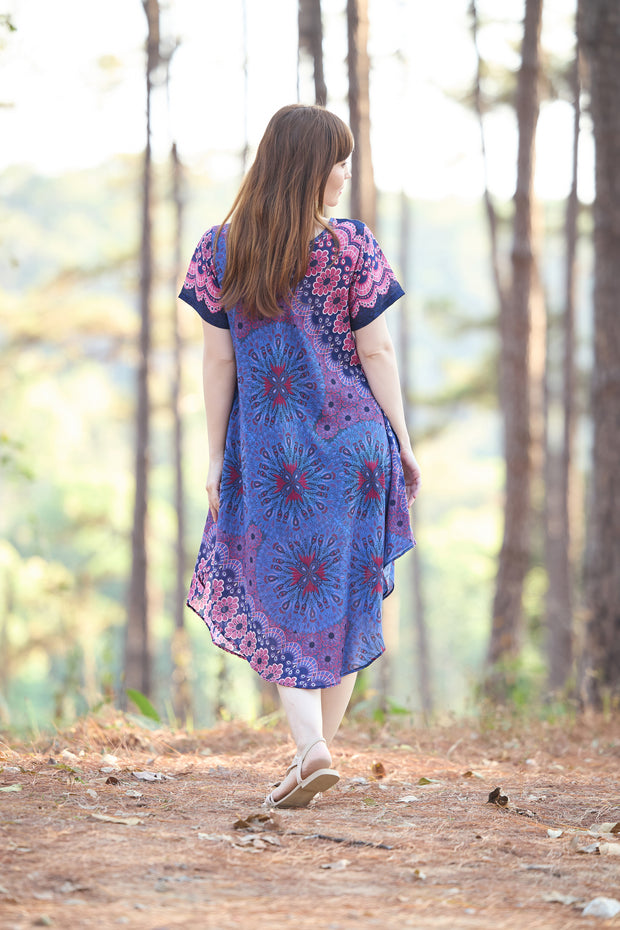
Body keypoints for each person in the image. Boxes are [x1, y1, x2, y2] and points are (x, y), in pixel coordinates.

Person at [179, 104, 421, 809]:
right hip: (355, 448)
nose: (344, 173)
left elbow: (218, 363)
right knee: (343, 597)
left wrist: (214, 450)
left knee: (286, 599)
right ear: (308, 166)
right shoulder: (351, 245)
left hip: (271, 453)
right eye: (336, 161)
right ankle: (312, 757)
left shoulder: (221, 249)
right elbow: (375, 349)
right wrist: (402, 438)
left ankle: (311, 753)